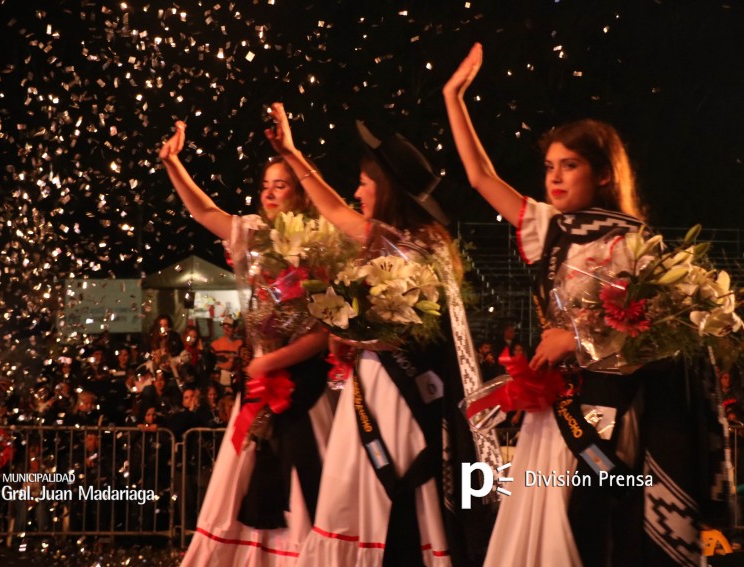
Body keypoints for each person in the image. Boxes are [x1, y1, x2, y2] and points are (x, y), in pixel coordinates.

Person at [444, 42, 707, 566]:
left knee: (592, 530)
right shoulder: (548, 227)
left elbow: (658, 340)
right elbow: (480, 177)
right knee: (541, 532)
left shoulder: (636, 245)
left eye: (570, 165)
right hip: (552, 410)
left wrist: (576, 339)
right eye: (549, 167)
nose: (555, 177)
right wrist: (453, 97)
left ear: (604, 174)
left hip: (607, 411)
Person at [266, 101, 501, 566]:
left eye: (364, 182)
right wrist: (291, 153)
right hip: (370, 384)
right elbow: (331, 206)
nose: (356, 192)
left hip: (402, 394)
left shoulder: (425, 249)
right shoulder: (382, 237)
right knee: (352, 492)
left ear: (386, 188)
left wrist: (358, 333)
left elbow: (416, 334)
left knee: (391, 483)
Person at [159, 120, 333, 565]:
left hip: (304, 389)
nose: (269, 193)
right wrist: (173, 163)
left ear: (301, 193)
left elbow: (326, 330)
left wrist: (273, 361)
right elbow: (205, 211)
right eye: (265, 186)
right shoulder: (253, 234)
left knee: (307, 492)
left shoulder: (320, 246)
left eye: (281, 185)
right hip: (259, 387)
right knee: (239, 486)